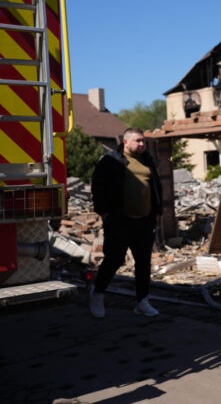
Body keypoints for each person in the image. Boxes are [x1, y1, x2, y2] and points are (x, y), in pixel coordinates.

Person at [89, 128, 163, 318]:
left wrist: (156, 213)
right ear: (126, 142)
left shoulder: (147, 161)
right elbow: (97, 187)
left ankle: (142, 301)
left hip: (144, 222)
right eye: (138, 141)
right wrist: (104, 213)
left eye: (143, 141)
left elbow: (155, 186)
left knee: (143, 262)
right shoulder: (111, 161)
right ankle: (97, 294)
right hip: (119, 221)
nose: (142, 144)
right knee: (114, 259)